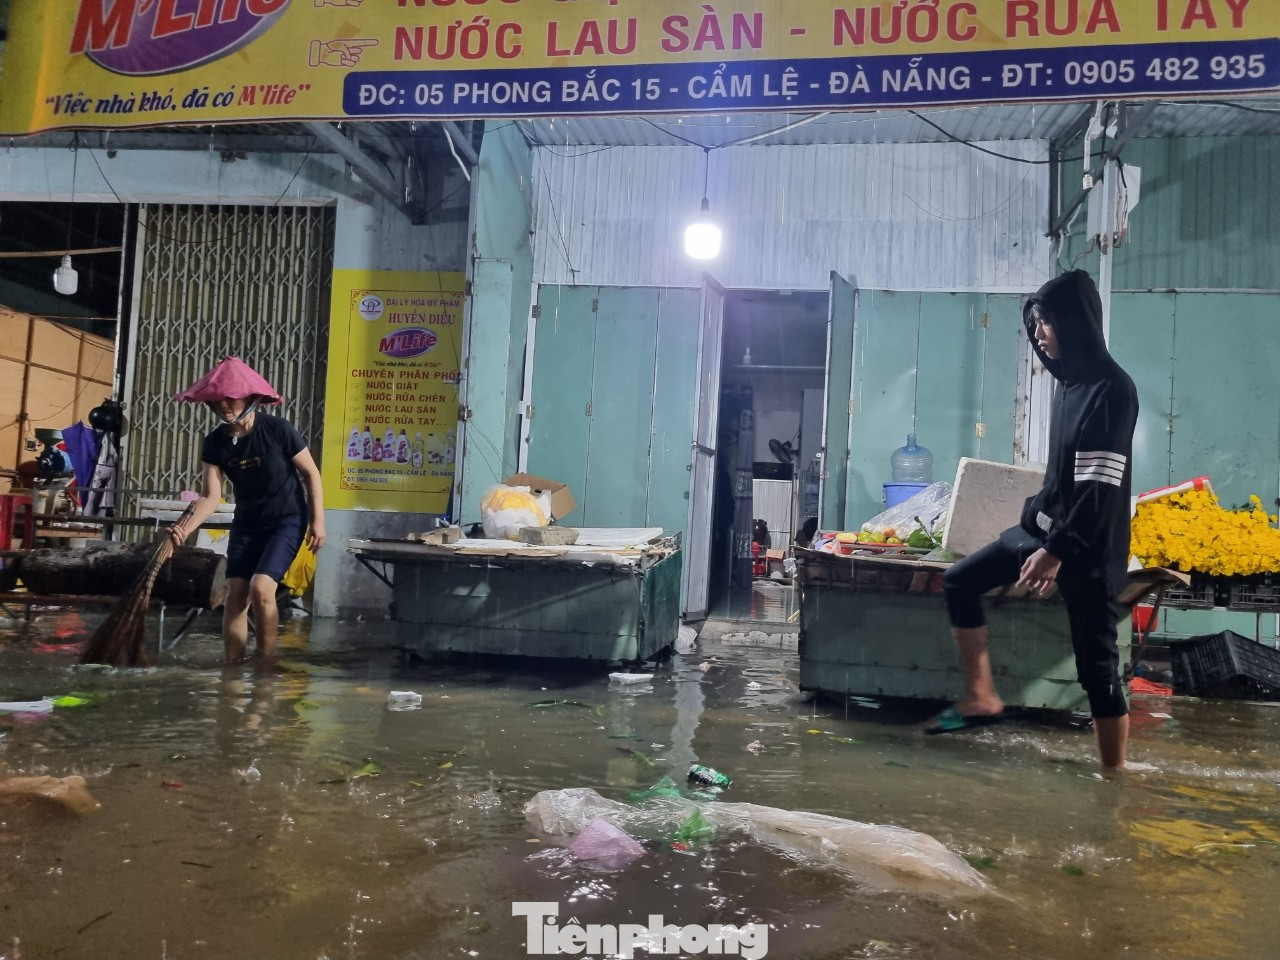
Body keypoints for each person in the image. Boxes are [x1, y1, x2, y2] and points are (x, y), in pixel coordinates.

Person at [931, 270, 1138, 772]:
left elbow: (1098, 487)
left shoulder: (1111, 390)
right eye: (1038, 323)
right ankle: (981, 697)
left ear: (1073, 323)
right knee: (960, 580)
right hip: (1045, 532)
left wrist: (1057, 552)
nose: (1040, 334)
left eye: (1047, 323)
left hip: (1087, 547)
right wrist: (1042, 536)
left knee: (1098, 670)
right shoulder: (1068, 384)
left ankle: (1114, 775)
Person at [168, 357, 325, 663]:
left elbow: (311, 474)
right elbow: (211, 497)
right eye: (218, 399)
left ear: (250, 398)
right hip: (248, 524)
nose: (224, 405)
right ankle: (233, 669)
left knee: (261, 587)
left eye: (231, 397)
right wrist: (184, 529)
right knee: (235, 594)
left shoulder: (278, 429)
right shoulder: (215, 443)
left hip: (287, 520)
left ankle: (266, 664)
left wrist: (318, 520)